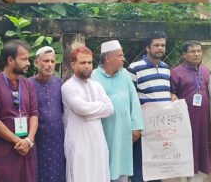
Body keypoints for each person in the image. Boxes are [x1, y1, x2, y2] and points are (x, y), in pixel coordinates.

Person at [0, 40, 39, 182]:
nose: (28, 63)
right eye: (24, 59)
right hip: (3, 152)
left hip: (27, 150)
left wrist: (29, 140)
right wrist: (18, 141)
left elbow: (34, 113)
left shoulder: (27, 84)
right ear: (10, 60)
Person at [91, 40, 144, 182]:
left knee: (122, 167)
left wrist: (136, 126)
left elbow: (134, 100)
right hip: (103, 131)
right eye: (119, 56)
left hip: (124, 131)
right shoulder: (93, 77)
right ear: (108, 58)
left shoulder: (125, 74)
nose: (123, 59)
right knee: (104, 166)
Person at [62, 45, 114, 182]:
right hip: (78, 142)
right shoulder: (68, 87)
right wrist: (97, 108)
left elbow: (109, 109)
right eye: (83, 63)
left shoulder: (96, 86)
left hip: (98, 140)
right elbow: (82, 109)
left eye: (90, 63)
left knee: (100, 175)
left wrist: (88, 112)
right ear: (73, 64)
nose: (87, 66)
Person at [128, 31, 171, 182]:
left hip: (162, 129)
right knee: (140, 169)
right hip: (144, 129)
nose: (160, 48)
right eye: (156, 45)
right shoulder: (135, 69)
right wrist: (136, 126)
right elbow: (130, 100)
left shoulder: (166, 68)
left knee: (157, 168)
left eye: (163, 45)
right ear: (147, 47)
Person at [171, 41, 211, 180]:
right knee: (186, 147)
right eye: (193, 51)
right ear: (184, 55)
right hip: (185, 119)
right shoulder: (176, 72)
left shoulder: (206, 71)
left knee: (202, 146)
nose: (197, 54)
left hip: (203, 119)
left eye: (199, 51)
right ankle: (185, 177)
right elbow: (171, 94)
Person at [28, 46, 65, 182]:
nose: (50, 65)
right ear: (36, 63)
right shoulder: (27, 84)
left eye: (52, 61)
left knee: (59, 171)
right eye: (46, 61)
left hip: (58, 137)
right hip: (37, 138)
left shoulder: (59, 83)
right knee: (39, 172)